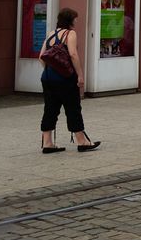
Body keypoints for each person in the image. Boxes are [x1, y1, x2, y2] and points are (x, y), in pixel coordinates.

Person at [38, 8, 100, 153]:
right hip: (65, 79)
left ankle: (47, 143)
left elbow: (41, 56)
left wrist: (50, 69)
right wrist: (80, 75)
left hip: (48, 78)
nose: (76, 21)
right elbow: (72, 54)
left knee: (50, 109)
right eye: (75, 19)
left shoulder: (51, 34)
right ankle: (82, 141)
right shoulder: (70, 34)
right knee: (73, 108)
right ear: (70, 20)